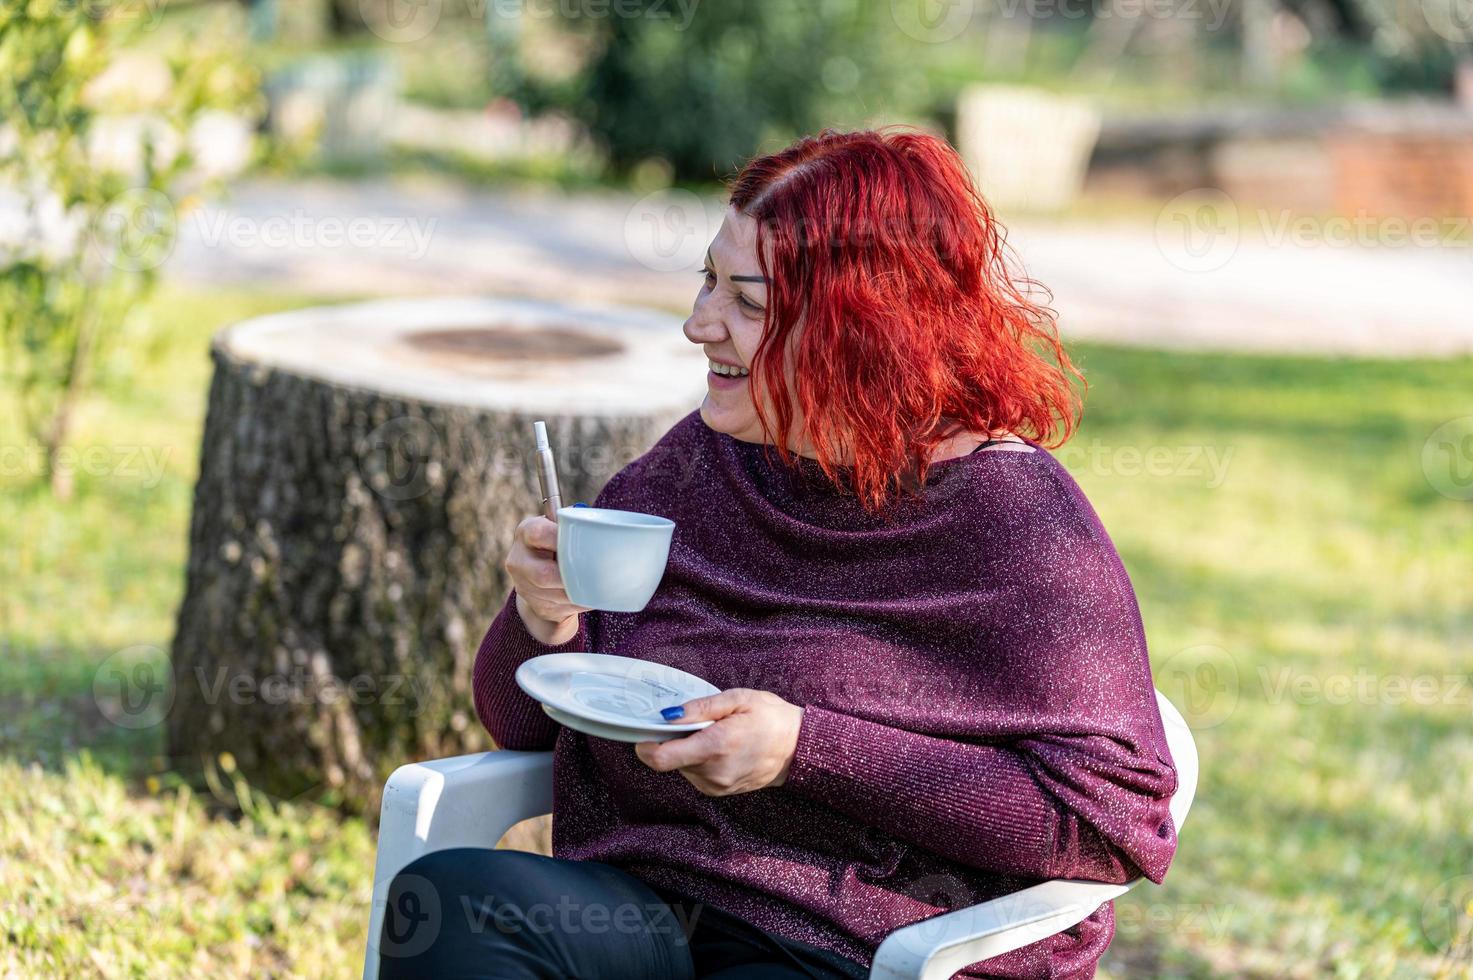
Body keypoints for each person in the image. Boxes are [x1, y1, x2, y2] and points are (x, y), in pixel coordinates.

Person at [380, 128, 1179, 979]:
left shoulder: (1015, 525)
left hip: (864, 946)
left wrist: (804, 750)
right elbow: (524, 723)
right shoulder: (694, 462)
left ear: (868, 328)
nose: (698, 325)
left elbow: (1106, 827)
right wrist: (545, 619)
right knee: (454, 900)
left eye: (748, 305)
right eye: (706, 281)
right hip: (649, 909)